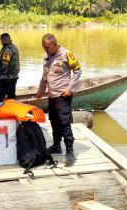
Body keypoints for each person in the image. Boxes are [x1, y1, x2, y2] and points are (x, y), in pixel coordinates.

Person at [36, 33, 81, 166]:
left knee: (65, 123)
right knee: (54, 121)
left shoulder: (67, 54)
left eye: (48, 47)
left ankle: (70, 152)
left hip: (63, 96)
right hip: (51, 96)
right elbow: (44, 75)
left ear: (55, 45)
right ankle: (57, 145)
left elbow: (78, 71)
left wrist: (70, 89)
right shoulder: (46, 57)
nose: (46, 50)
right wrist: (40, 90)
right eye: (44, 47)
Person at [0, 33, 20, 103]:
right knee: (11, 97)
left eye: (2, 40)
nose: (1, 42)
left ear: (4, 40)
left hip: (6, 78)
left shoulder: (7, 50)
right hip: (14, 77)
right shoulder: (14, 47)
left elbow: (4, 64)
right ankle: (12, 111)